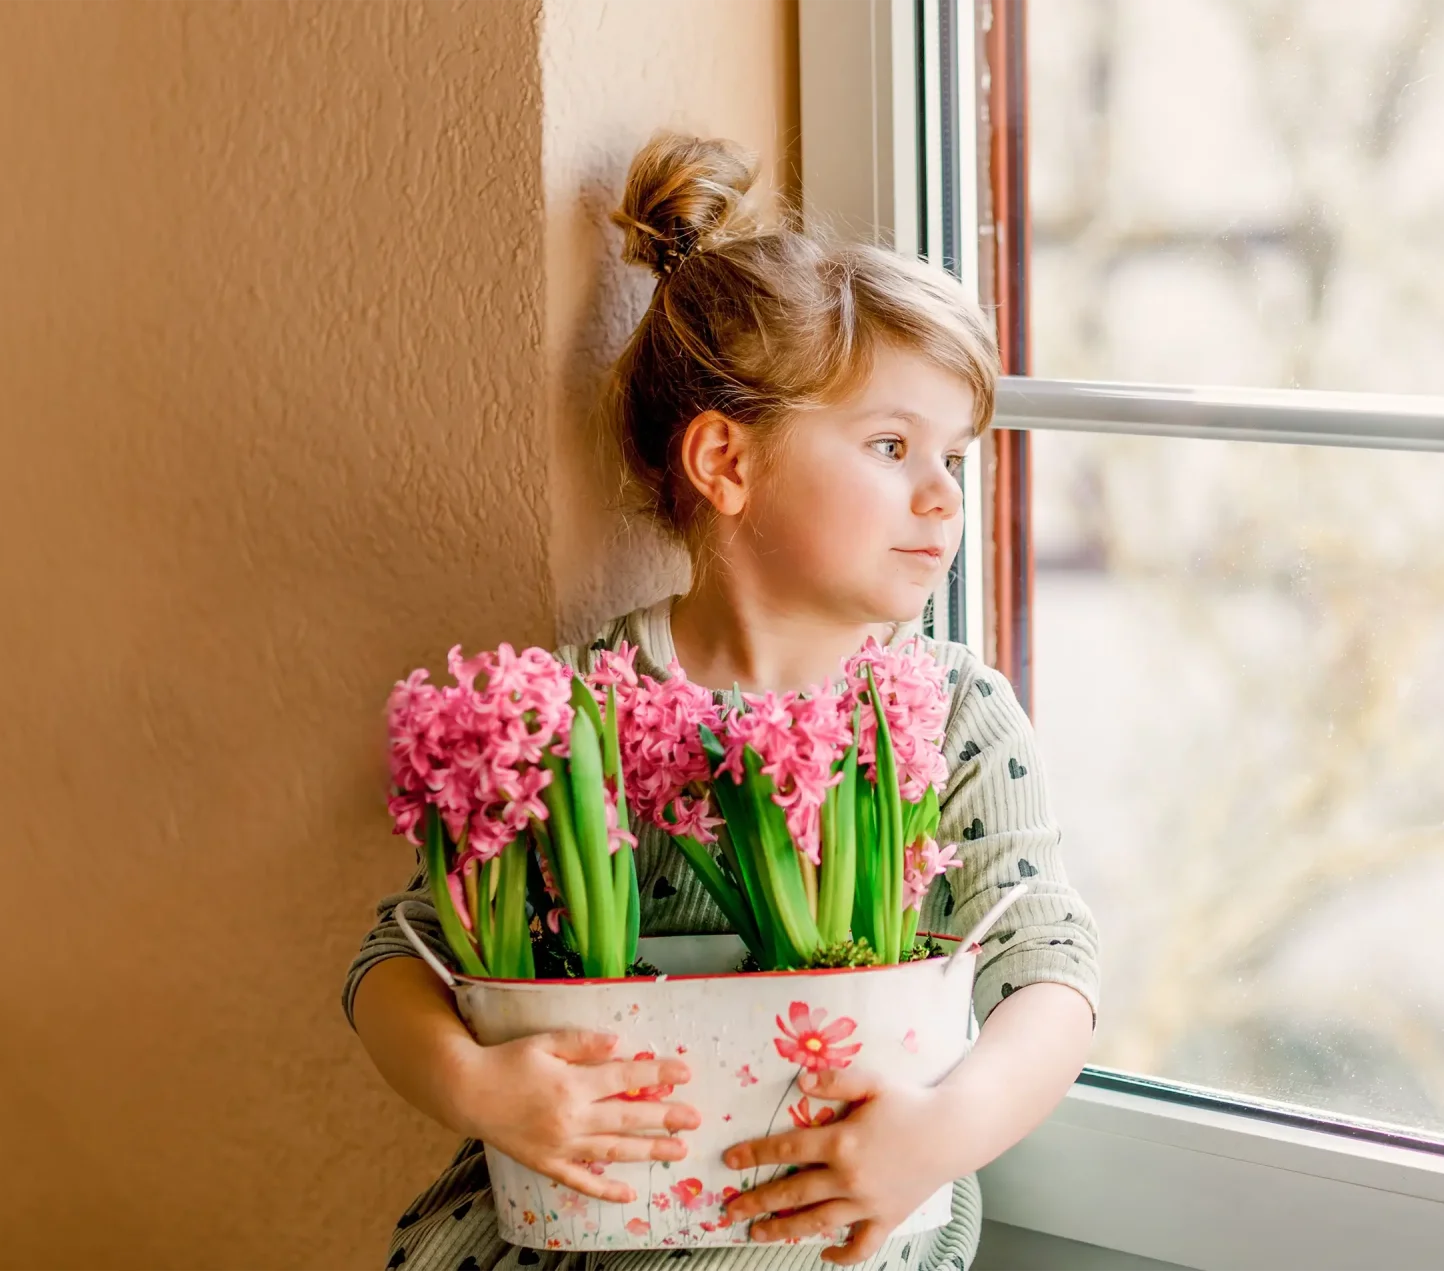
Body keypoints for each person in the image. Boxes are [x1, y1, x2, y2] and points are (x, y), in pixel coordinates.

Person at [343, 132, 1101, 1271]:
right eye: (893, 446)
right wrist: (479, 1083)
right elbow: (395, 956)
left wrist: (941, 1132)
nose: (944, 497)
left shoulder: (946, 714)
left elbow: (1049, 966)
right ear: (726, 464)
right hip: (571, 1238)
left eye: (957, 456)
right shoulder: (571, 715)